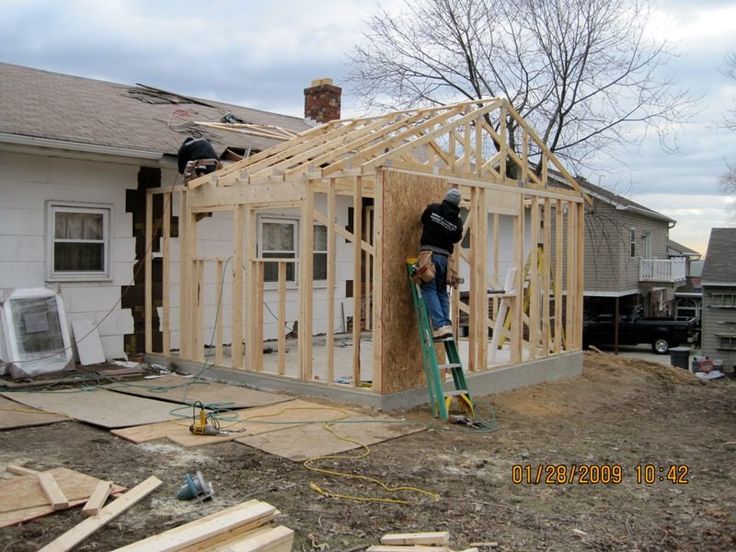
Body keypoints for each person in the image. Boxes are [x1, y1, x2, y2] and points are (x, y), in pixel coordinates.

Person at [419, 188, 463, 338]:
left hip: (429, 255)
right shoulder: (457, 222)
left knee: (429, 288)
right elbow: (456, 238)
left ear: (446, 198)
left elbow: (423, 219)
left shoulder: (433, 209)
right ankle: (446, 325)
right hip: (445, 259)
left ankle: (439, 325)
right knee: (441, 291)